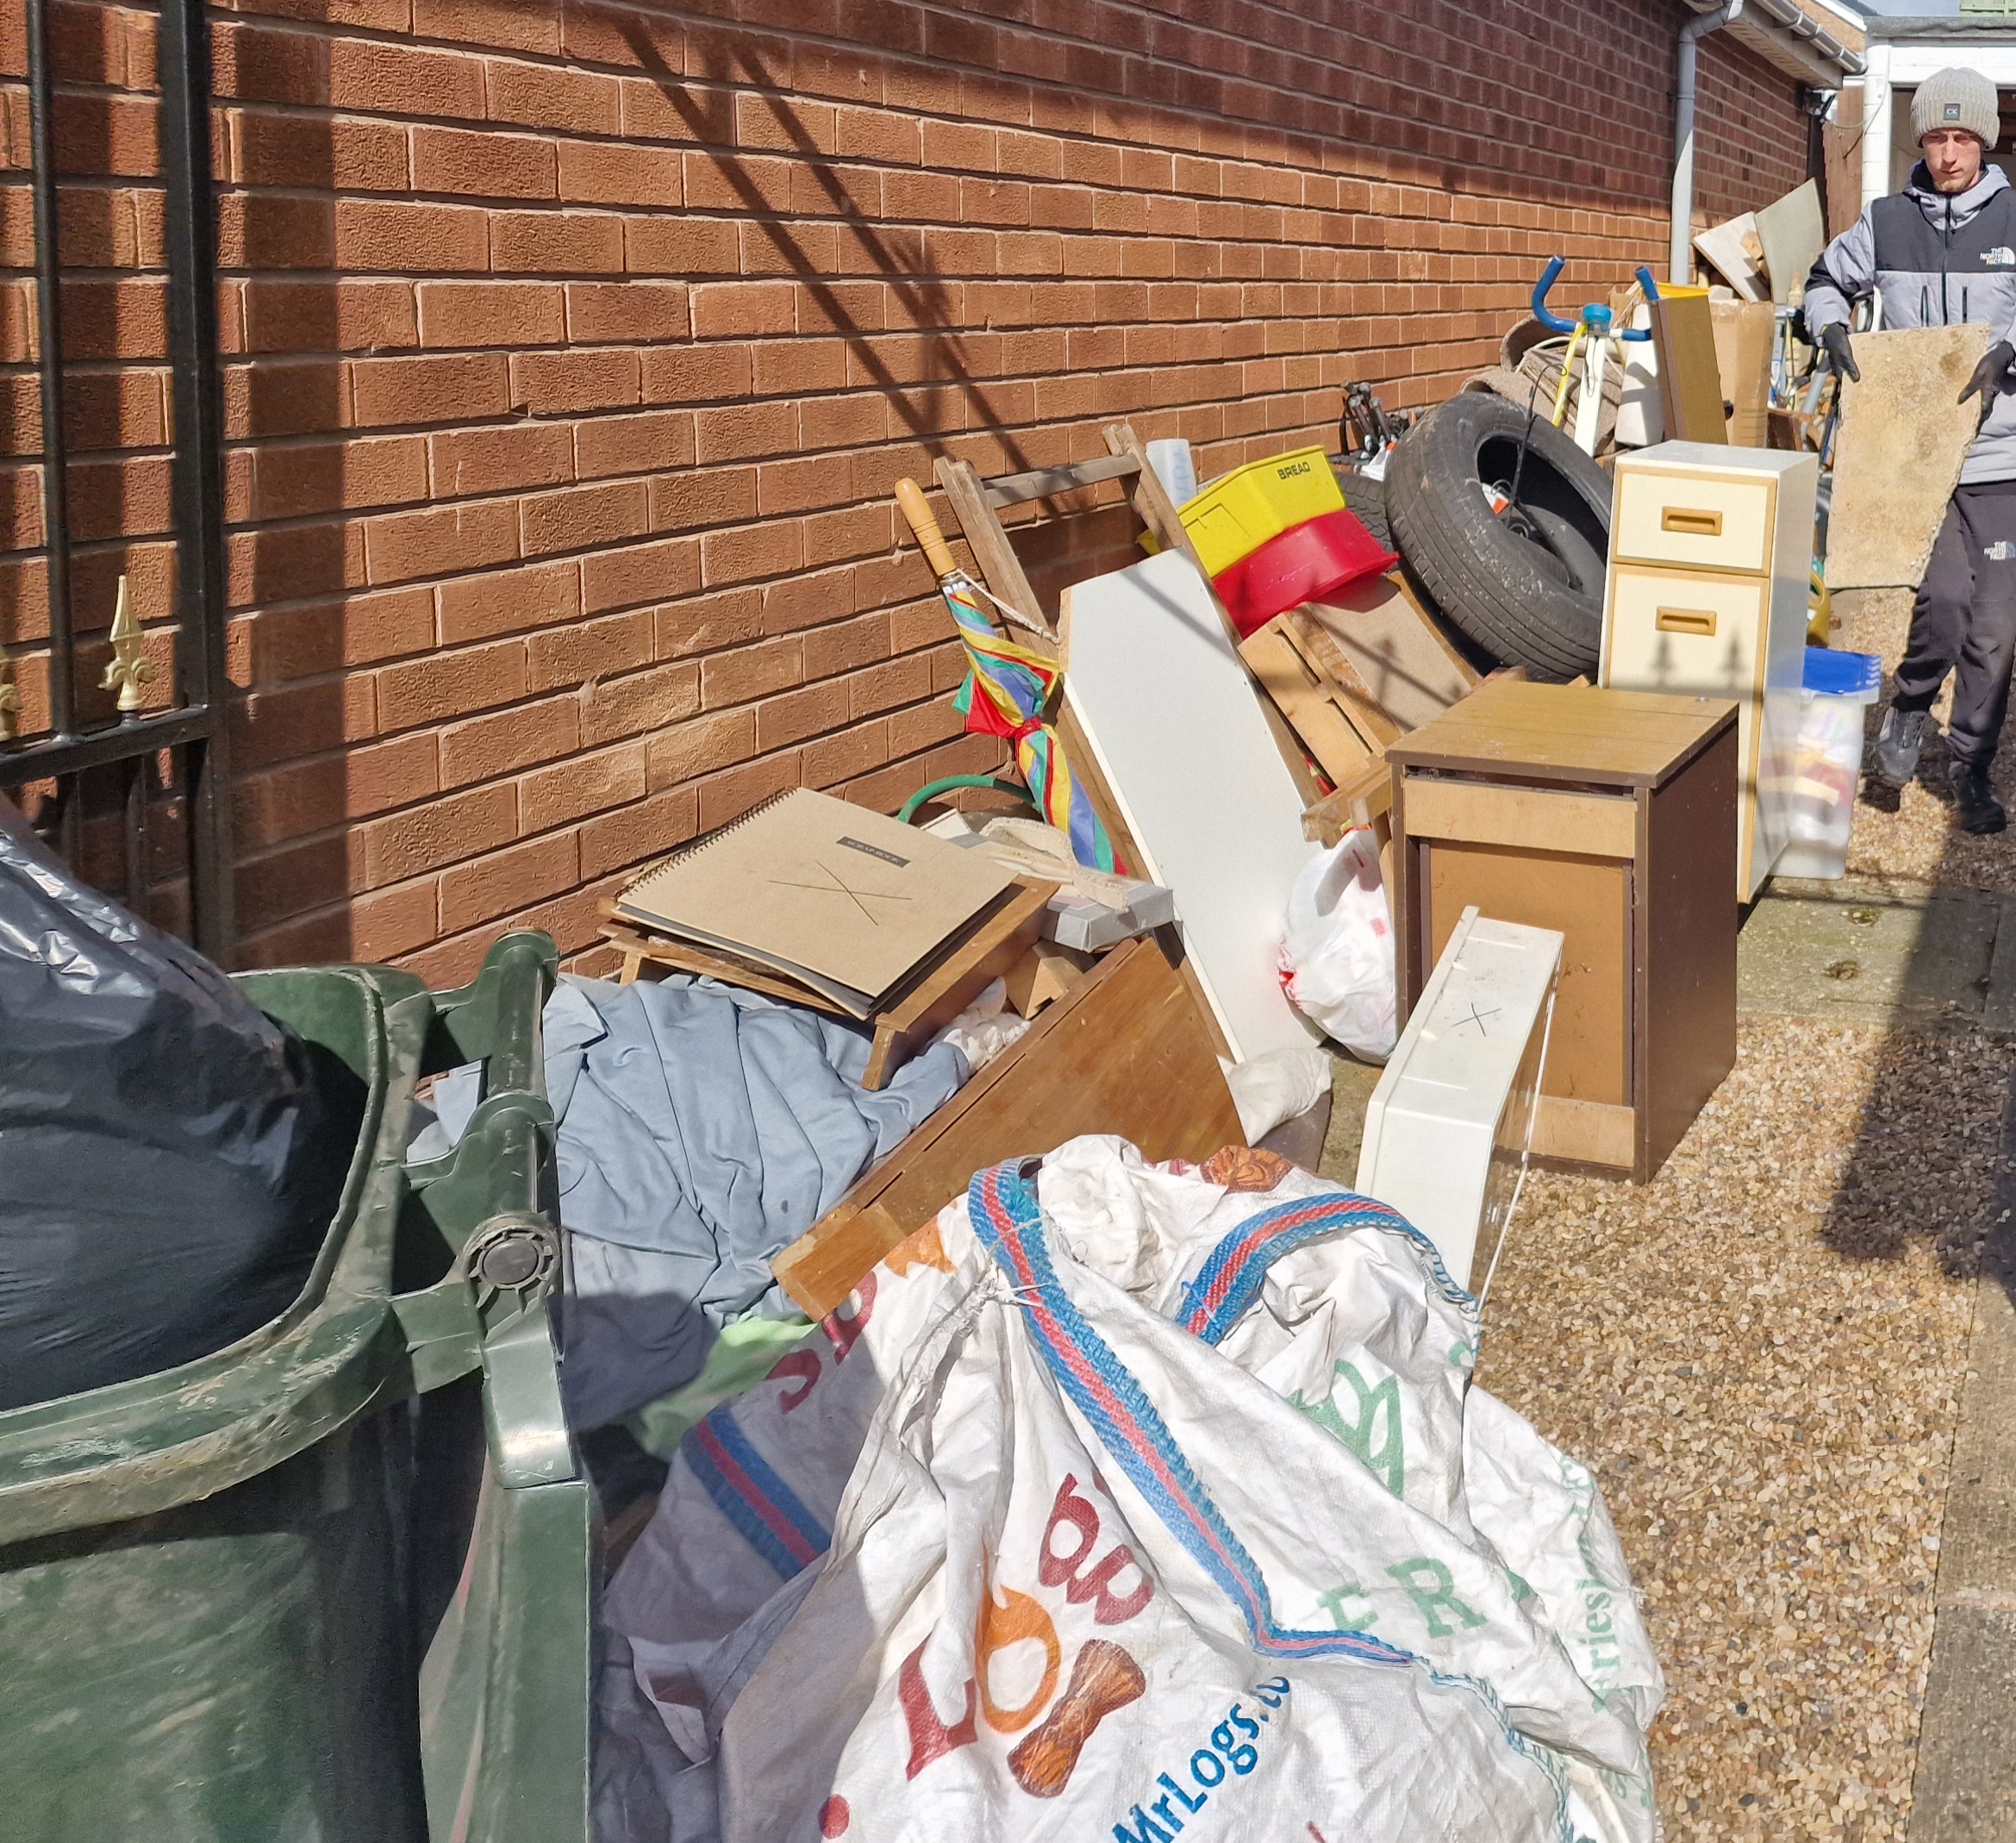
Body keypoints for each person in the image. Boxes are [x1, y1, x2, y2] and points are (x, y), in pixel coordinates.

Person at [1807, 66, 2016, 834]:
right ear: (1920, 139)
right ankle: (1912, 702)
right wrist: (1828, 325)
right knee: (1945, 601)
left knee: (1995, 626)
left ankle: (1971, 770)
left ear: (1983, 141)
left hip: (1999, 455)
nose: (1950, 152)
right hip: (1910, 459)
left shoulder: (2014, 219)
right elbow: (1825, 278)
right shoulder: (1885, 221)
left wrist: (2009, 351)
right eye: (1935, 135)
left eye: (1964, 137)